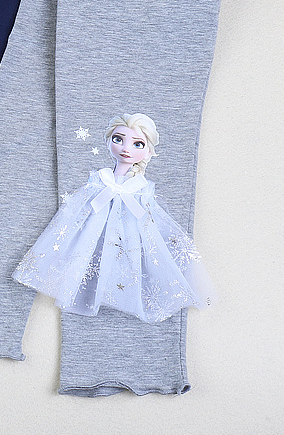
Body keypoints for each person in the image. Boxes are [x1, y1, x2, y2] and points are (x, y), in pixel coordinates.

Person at [13, 113, 214, 322]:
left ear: (148, 151)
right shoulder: (99, 180)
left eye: (137, 144)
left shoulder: (142, 189)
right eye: (118, 139)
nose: (126, 148)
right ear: (108, 141)